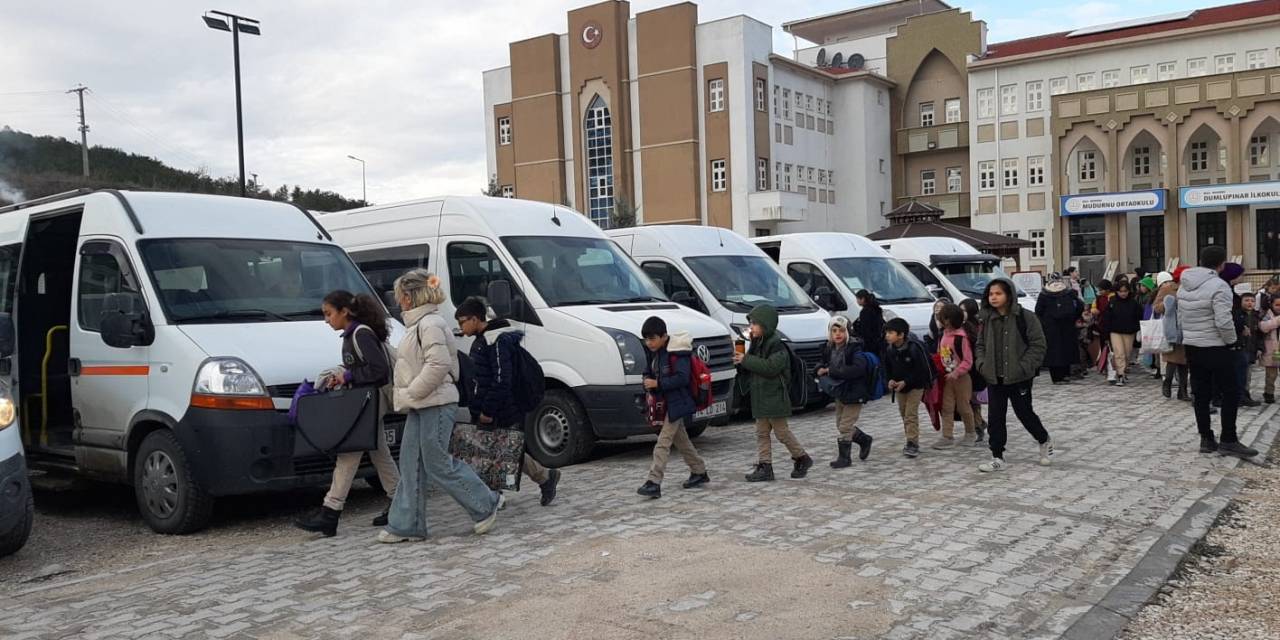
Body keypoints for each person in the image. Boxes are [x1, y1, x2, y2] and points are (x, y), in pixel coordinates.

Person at [379, 269, 504, 543]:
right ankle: (406, 523)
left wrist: (411, 392)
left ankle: (485, 503)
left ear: (409, 297)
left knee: (436, 462)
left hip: (434, 401)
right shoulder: (420, 324)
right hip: (424, 402)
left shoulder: (430, 324)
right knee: (411, 461)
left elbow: (439, 365)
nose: (398, 300)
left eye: (400, 295)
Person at [294, 290, 401, 537]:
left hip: (368, 403)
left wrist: (348, 376)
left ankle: (330, 511)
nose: (326, 320)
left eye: (329, 314)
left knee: (348, 454)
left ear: (345, 312)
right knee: (379, 452)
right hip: (367, 403)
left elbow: (379, 370)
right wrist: (344, 376)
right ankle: (399, 501)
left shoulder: (361, 334)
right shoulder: (356, 334)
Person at [453, 297, 561, 507]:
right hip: (492, 406)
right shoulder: (485, 340)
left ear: (475, 319)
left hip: (501, 408)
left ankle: (501, 494)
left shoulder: (496, 341)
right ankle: (542, 478)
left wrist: (488, 409)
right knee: (498, 450)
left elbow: (502, 380)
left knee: (501, 450)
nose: (461, 328)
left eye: (462, 322)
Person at [1176, 247, 1258, 458]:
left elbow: (1180, 316)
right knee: (1231, 391)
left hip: (1193, 346)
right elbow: (1223, 320)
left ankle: (1206, 438)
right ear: (1221, 264)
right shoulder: (1219, 286)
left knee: (1201, 394)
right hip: (1216, 346)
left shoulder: (1184, 285)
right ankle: (1229, 439)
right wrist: (1231, 341)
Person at [974, 277, 1053, 472]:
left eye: (998, 293)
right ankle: (997, 456)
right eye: (991, 294)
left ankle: (1044, 440)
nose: (993, 297)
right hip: (994, 377)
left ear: (1009, 295)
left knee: (1024, 413)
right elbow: (980, 345)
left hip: (1019, 377)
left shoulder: (1025, 317)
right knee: (995, 417)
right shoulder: (987, 320)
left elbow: (1038, 344)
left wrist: (1024, 367)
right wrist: (982, 365)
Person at [734, 305, 813, 482]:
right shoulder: (757, 344)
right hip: (760, 396)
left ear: (766, 325)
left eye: (755, 324)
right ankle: (765, 466)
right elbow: (753, 366)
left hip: (775, 397)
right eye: (751, 324)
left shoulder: (777, 346)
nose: (751, 328)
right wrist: (741, 363)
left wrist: (746, 360)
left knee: (781, 433)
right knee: (761, 433)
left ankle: (802, 457)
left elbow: (770, 368)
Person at [635, 316, 710, 498]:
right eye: (646, 339)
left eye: (652, 338)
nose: (649, 343)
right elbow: (649, 371)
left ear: (664, 336)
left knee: (663, 443)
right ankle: (699, 471)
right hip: (667, 404)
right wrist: (646, 381)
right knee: (681, 440)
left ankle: (654, 481)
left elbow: (682, 379)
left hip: (679, 403)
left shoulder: (678, 353)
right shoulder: (656, 353)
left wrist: (657, 383)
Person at [816, 315, 874, 467]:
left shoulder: (855, 349)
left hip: (855, 392)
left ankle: (845, 458)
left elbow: (857, 370)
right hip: (840, 391)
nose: (837, 334)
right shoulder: (829, 348)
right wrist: (819, 369)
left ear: (847, 332)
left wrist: (832, 371)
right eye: (834, 330)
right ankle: (864, 439)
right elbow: (822, 362)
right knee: (840, 424)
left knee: (845, 426)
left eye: (841, 330)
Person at [883, 317, 933, 458]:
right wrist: (890, 380)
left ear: (901, 334)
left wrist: (906, 381)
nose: (887, 335)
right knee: (904, 413)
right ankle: (909, 439)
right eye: (886, 332)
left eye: (890, 332)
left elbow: (920, 371)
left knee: (910, 414)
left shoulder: (913, 348)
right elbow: (887, 368)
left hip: (916, 386)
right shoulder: (890, 349)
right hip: (900, 387)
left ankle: (912, 443)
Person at [935, 303, 979, 447]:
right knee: (946, 407)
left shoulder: (961, 337)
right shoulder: (943, 335)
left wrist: (957, 372)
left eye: (946, 318)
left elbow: (968, 361)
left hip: (962, 378)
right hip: (947, 377)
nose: (944, 321)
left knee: (963, 407)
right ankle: (947, 436)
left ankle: (971, 433)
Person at [1036, 275, 1084, 384]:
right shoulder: (1068, 293)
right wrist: (1073, 318)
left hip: (1052, 328)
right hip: (1066, 326)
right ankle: (1064, 375)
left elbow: (1038, 311)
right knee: (1065, 351)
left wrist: (1044, 323)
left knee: (1056, 352)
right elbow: (1080, 306)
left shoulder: (1044, 295)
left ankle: (1057, 377)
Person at [1154, 271, 1189, 401]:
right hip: (1172, 329)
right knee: (1173, 360)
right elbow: (1156, 307)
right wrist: (1167, 305)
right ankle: (1167, 382)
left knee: (1185, 363)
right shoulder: (1167, 289)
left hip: (1187, 329)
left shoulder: (1191, 289)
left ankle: (1183, 391)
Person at [1102, 281, 1142, 386]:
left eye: (1125, 291)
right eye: (1121, 291)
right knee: (1119, 353)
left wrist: (1137, 328)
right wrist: (1106, 333)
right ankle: (1120, 374)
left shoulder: (1134, 303)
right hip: (1115, 331)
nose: (1123, 293)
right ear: (1117, 291)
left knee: (1127, 354)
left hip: (1129, 331)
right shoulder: (1112, 302)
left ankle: (1123, 371)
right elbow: (1106, 318)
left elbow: (1139, 316)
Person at [959, 298, 988, 443]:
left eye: (964, 310)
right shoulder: (960, 327)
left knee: (973, 399)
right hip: (966, 368)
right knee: (969, 400)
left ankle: (977, 426)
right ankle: (979, 423)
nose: (961, 313)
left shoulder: (976, 327)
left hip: (975, 368)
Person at [1236, 284, 1262, 408]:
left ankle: (1245, 395)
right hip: (1241, 348)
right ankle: (1240, 396)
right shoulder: (1238, 315)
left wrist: (1260, 348)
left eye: (1252, 301)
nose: (1249, 303)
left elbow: (1259, 334)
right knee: (1240, 374)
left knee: (1248, 375)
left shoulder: (1256, 316)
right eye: (1246, 300)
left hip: (1251, 349)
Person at [1260, 296, 1280, 404]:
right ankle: (1269, 393)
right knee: (1271, 374)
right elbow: (1263, 327)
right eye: (1277, 305)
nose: (1279, 307)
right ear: (1271, 305)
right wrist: (1277, 320)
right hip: (1272, 349)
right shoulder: (1267, 315)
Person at [855, 290, 886, 357]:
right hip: (878, 340)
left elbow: (865, 329)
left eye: (857, 299)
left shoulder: (865, 311)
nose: (857, 301)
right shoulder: (876, 309)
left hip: (869, 342)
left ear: (862, 299)